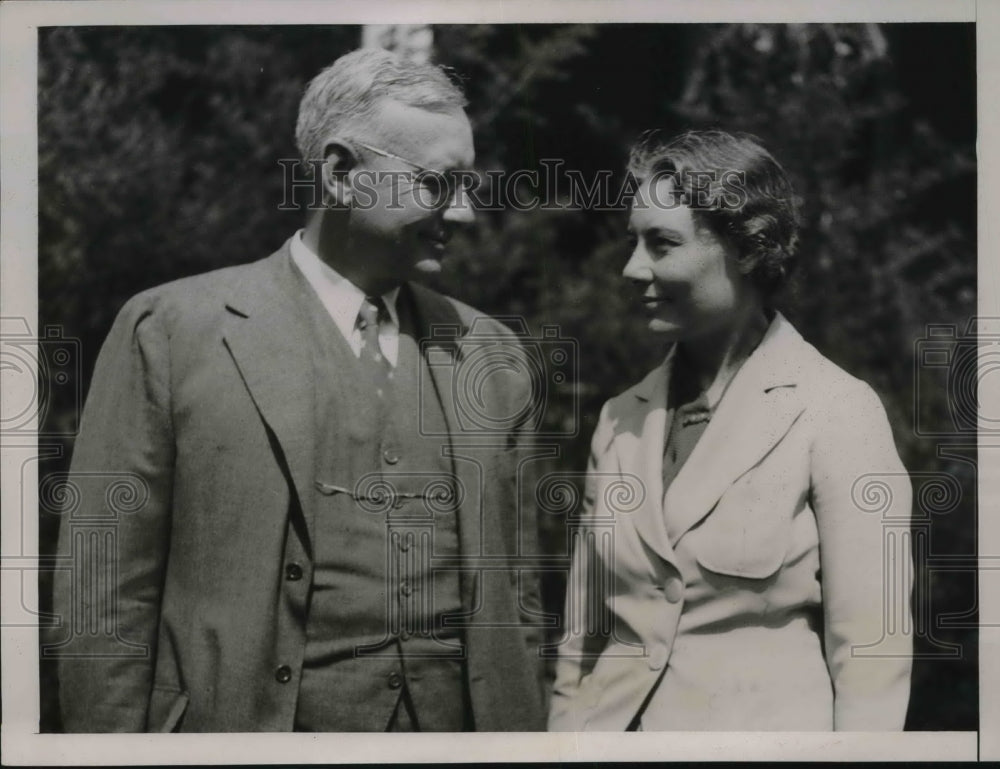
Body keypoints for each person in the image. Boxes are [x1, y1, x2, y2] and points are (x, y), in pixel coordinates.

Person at [53, 48, 545, 733]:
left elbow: (515, 600)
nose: (462, 211)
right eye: (438, 183)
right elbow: (105, 596)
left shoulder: (488, 352)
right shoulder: (171, 331)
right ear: (341, 172)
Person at [548, 130, 913, 731]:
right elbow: (581, 643)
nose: (632, 267)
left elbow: (872, 658)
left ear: (748, 247)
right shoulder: (621, 418)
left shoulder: (837, 410)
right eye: (633, 242)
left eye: (662, 244)